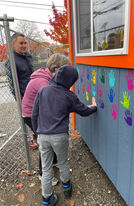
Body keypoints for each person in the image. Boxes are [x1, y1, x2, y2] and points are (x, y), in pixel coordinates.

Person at [31, 65, 97, 206]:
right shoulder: (69, 96)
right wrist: (94, 106)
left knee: (46, 168)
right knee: (62, 163)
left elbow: (34, 114)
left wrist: (37, 132)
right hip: (59, 136)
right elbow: (84, 111)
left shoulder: (42, 91)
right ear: (70, 81)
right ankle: (67, 188)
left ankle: (47, 199)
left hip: (42, 135)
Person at [22, 53, 71, 187]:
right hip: (31, 114)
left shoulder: (48, 78)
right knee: (45, 143)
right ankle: (43, 173)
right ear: (56, 69)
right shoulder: (43, 82)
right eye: (64, 69)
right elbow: (53, 103)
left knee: (49, 138)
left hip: (38, 112)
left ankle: (54, 161)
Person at [5, 32, 37, 148]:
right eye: (21, 43)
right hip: (23, 96)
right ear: (13, 44)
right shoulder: (11, 62)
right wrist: (19, 99)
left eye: (25, 43)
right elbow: (12, 84)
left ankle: (35, 133)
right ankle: (28, 139)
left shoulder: (28, 56)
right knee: (25, 117)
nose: (24, 45)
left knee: (36, 115)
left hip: (34, 94)